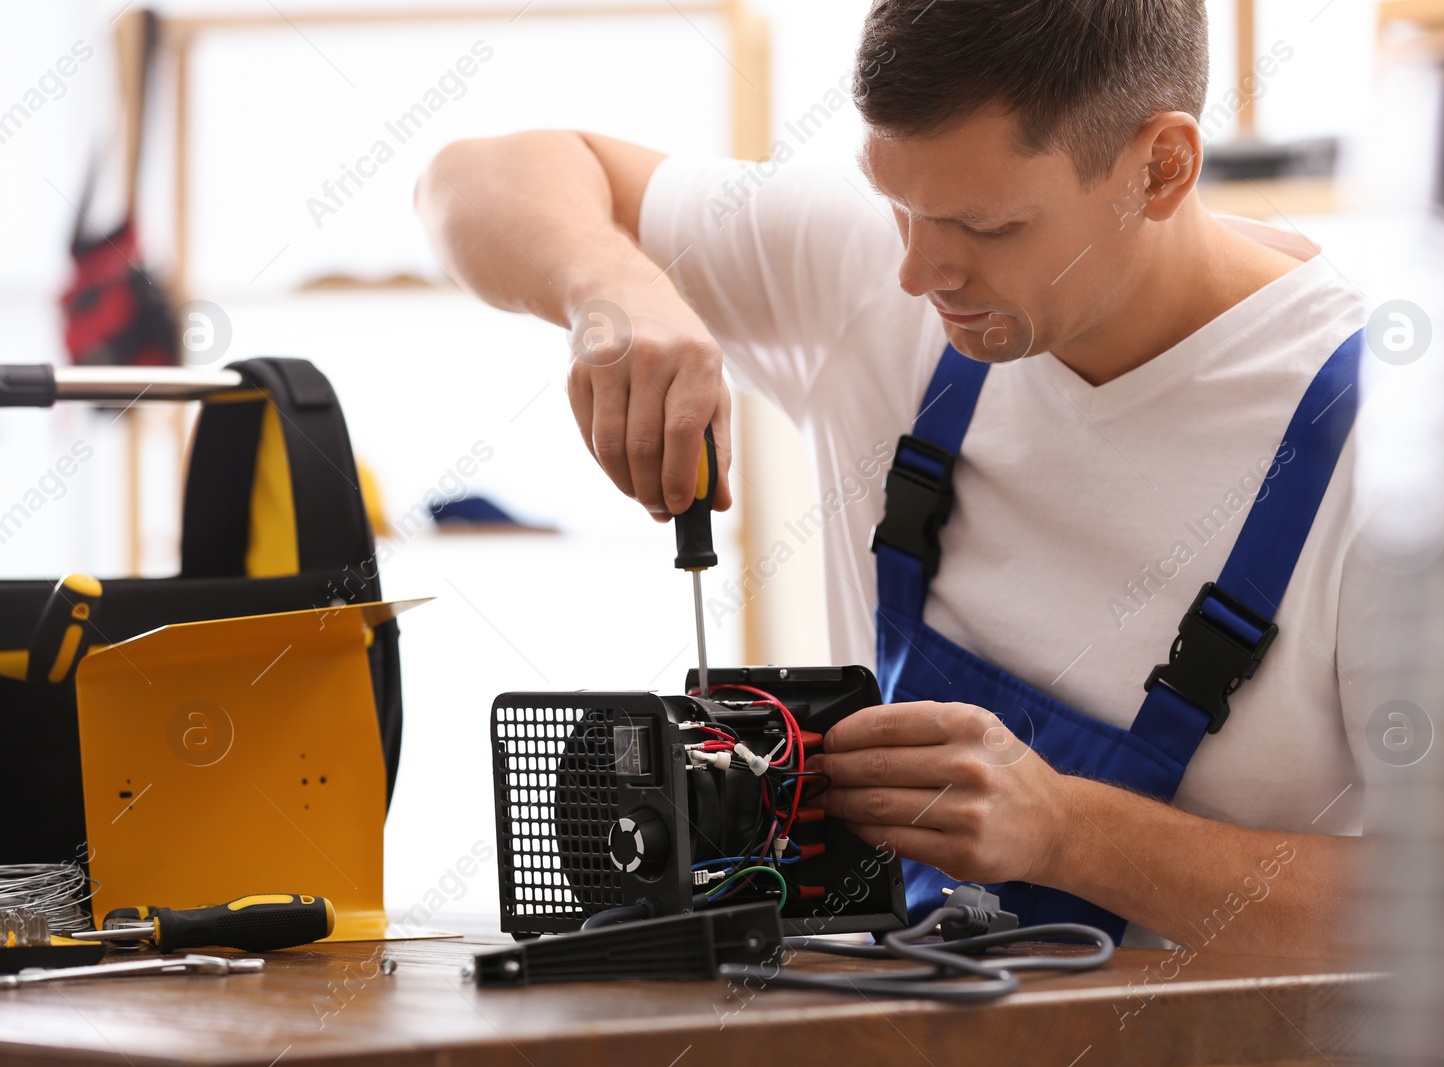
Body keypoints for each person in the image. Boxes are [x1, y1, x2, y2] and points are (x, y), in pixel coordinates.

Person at [417, 0, 1369, 956]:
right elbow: (469, 177)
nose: (917, 270)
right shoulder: (876, 267)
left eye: (984, 224)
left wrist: (1070, 831)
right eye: (897, 203)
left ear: (1160, 167)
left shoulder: (1379, 447)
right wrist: (614, 291)